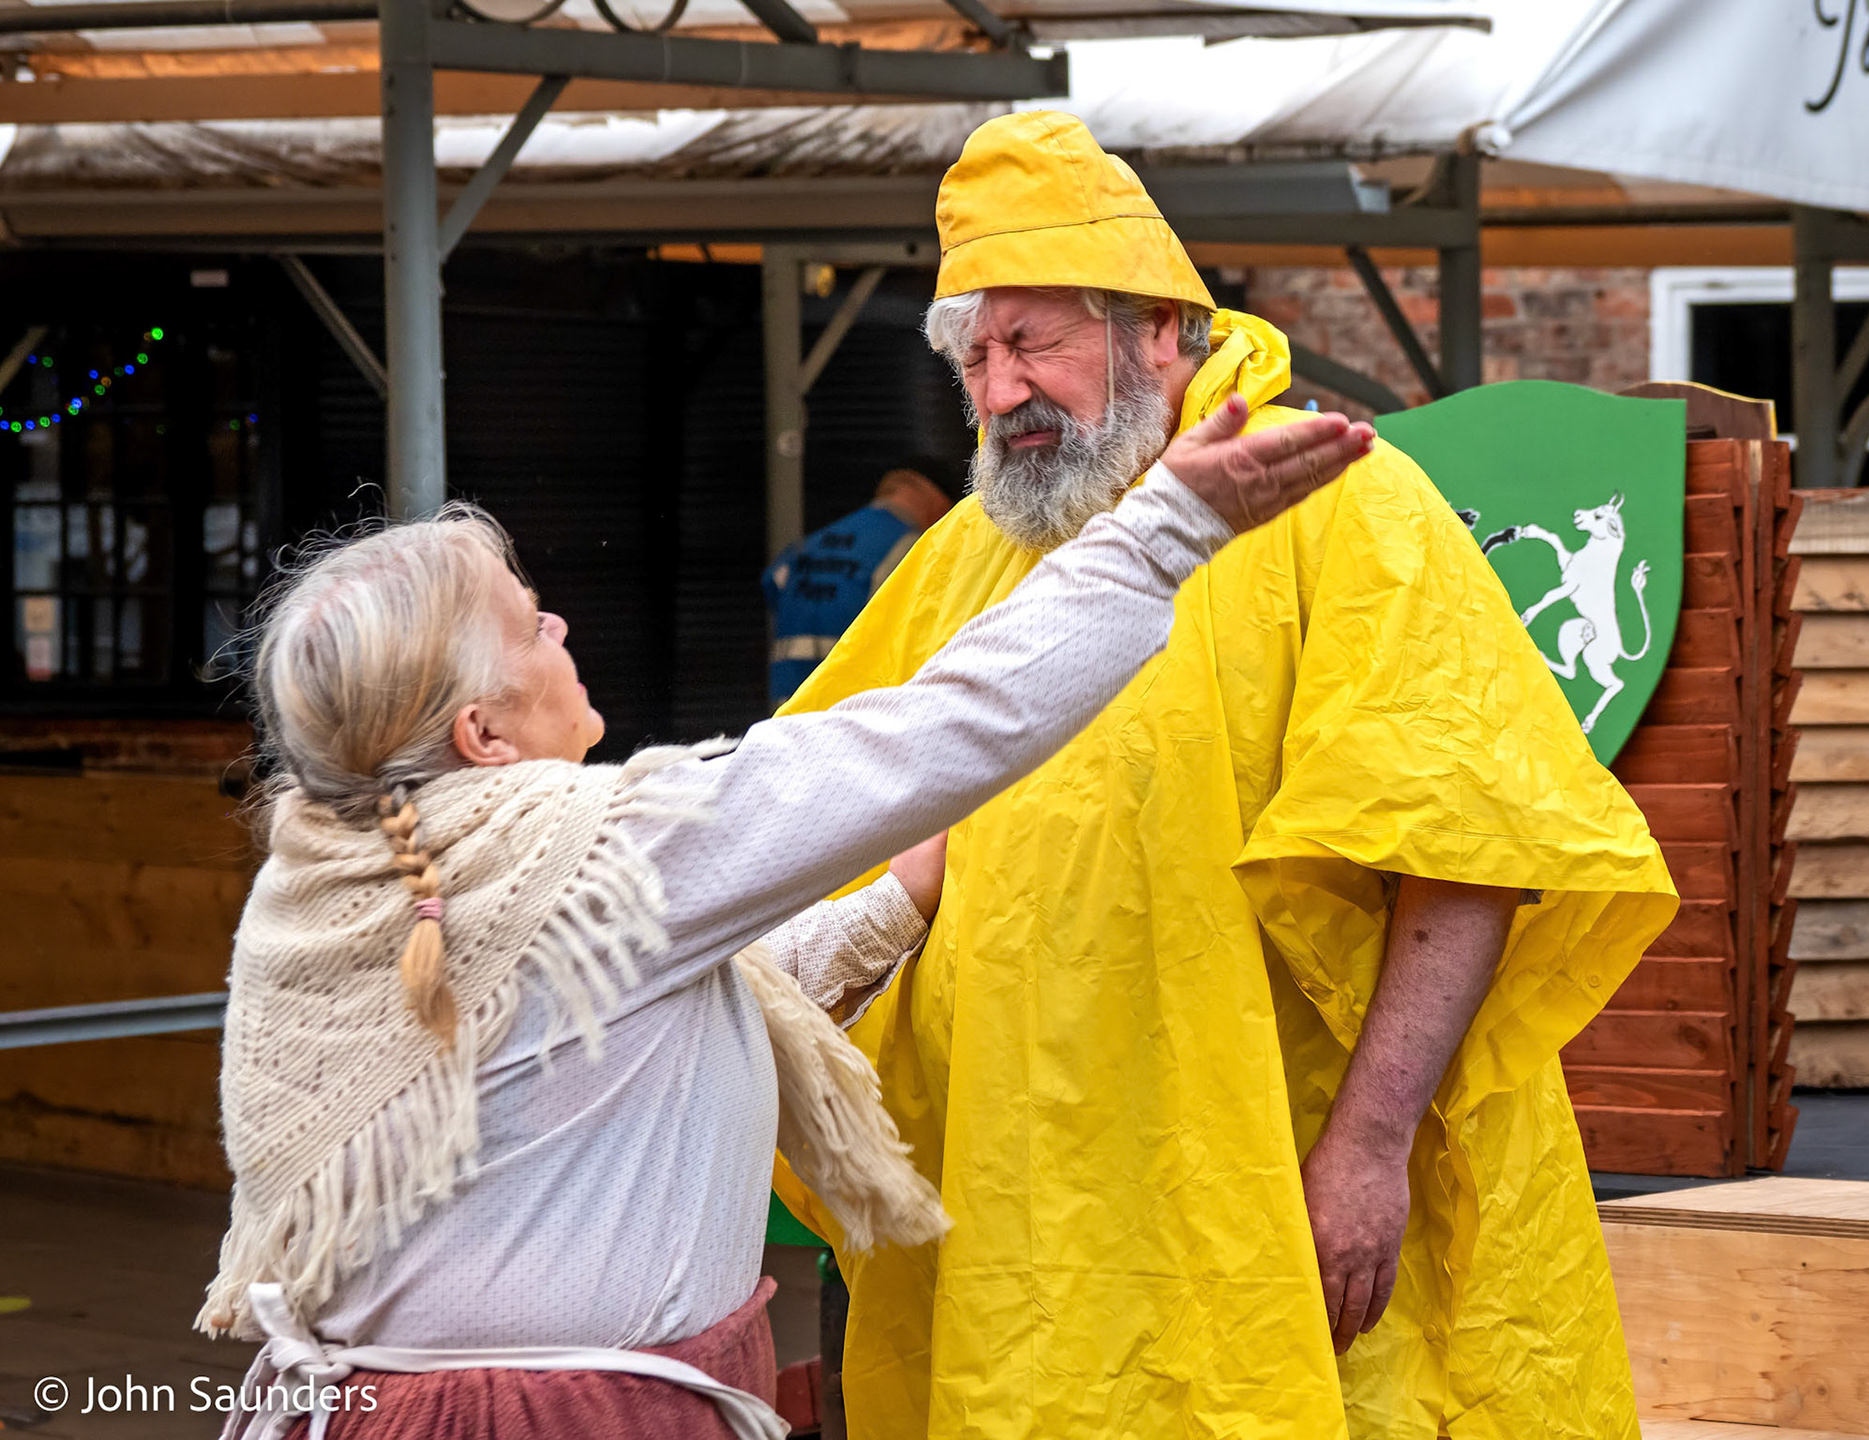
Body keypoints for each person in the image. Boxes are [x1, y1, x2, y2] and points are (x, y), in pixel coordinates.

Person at [194, 386, 1371, 1440]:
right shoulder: (598, 856)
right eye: (531, 622)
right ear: (483, 738)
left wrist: (902, 894)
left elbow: (623, 1038)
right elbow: (941, 727)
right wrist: (1167, 529)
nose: (562, 629)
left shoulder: (329, 878)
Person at [771, 111, 1681, 1440]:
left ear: (1157, 331)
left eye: (1034, 341)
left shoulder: (1343, 508)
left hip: (1277, 1192)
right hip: (1030, 1230)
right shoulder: (963, 556)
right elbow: (805, 818)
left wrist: (1369, 1151)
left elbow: (1468, 847)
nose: (1003, 389)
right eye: (977, 357)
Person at [762, 462, 958, 707]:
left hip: (788, 702)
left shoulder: (810, 544)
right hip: (853, 708)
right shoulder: (915, 549)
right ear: (938, 503)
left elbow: (771, 584)